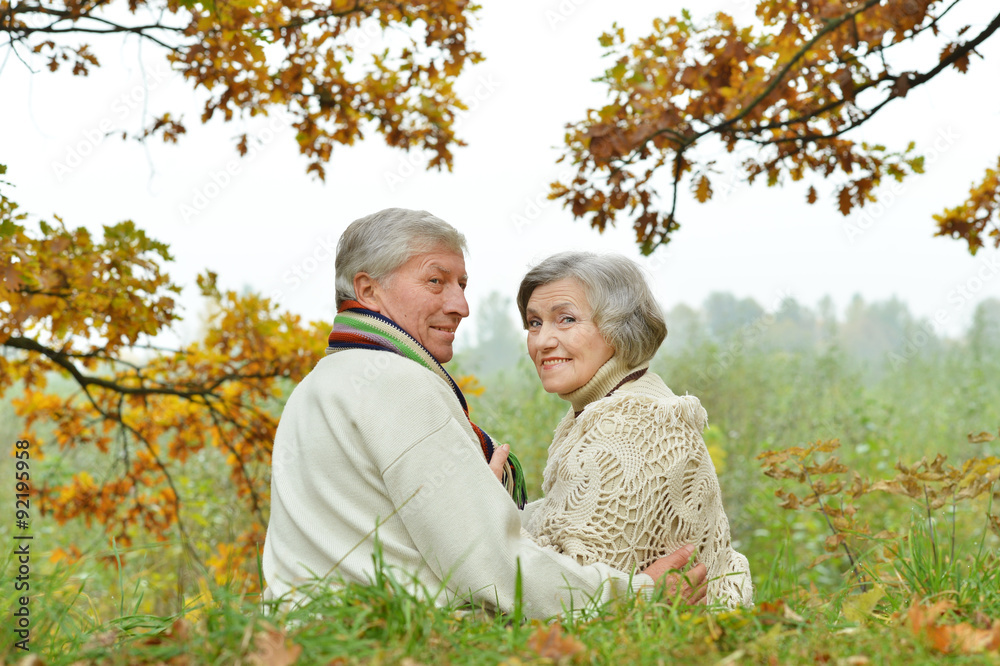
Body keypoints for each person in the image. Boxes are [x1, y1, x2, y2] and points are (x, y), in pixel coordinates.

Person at [262, 209, 707, 618]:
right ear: (367, 290)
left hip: (316, 637)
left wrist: (480, 501)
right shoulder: (397, 383)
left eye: (462, 284)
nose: (461, 306)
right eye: (436, 281)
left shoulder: (316, 386)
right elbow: (491, 564)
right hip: (394, 643)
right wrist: (634, 597)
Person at [516, 251, 753, 608]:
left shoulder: (633, 427)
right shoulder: (612, 408)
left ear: (619, 329)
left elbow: (571, 594)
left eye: (566, 319)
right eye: (534, 323)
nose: (542, 341)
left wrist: (486, 520)